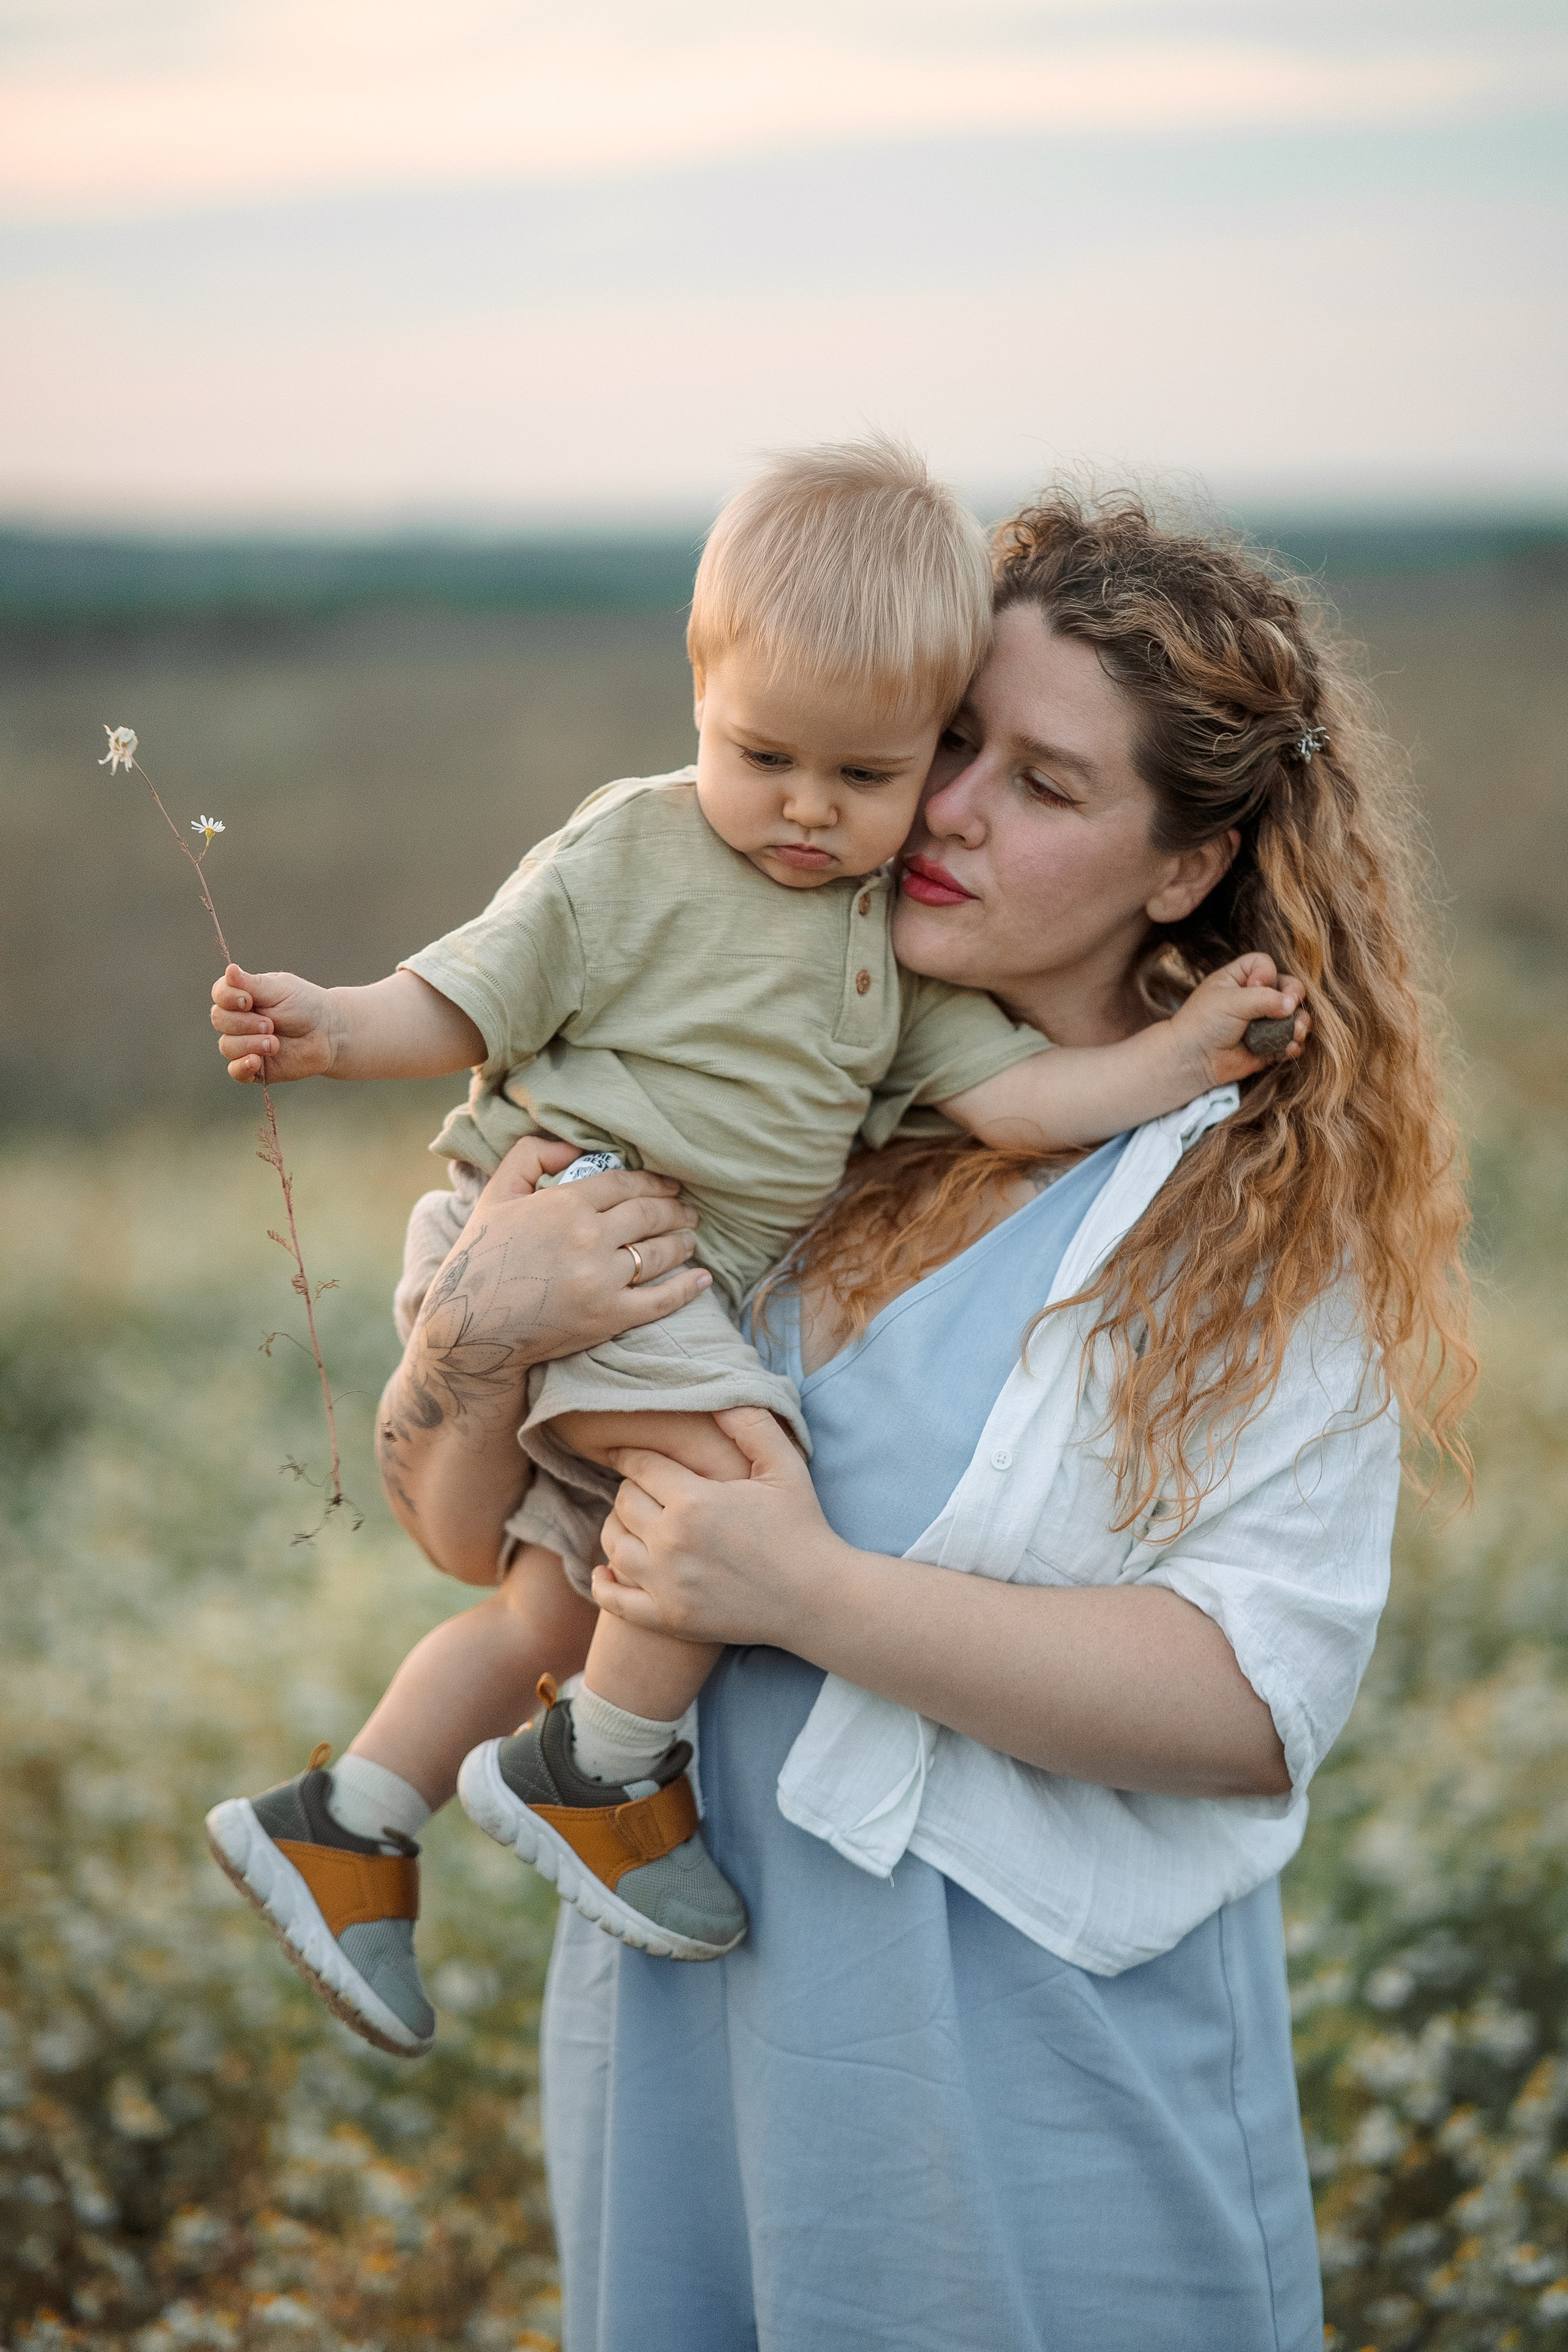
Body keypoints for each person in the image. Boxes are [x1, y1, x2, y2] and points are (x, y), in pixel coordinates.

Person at [377, 488, 1473, 2350]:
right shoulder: (790, 1093)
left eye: (1047, 786)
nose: (947, 808)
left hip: (1020, 2083)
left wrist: (805, 1591)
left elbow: (1251, 1705)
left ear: (1187, 867)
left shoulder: (1245, 1208)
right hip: (687, 2031)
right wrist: (477, 1341)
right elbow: (482, 1548)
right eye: (953, 741)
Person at [202, 443, 1304, 2052]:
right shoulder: (635, 853)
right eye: (765, 757)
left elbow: (1027, 1104)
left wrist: (1196, 1051)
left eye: (872, 774)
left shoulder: (888, 969)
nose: (818, 811)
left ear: (1190, 862)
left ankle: (349, 1816)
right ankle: (598, 1773)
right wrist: (326, 1030)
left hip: (650, 1287)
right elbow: (465, 997)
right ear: (700, 702)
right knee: (737, 1470)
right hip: (584, 1223)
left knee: (551, 1619)